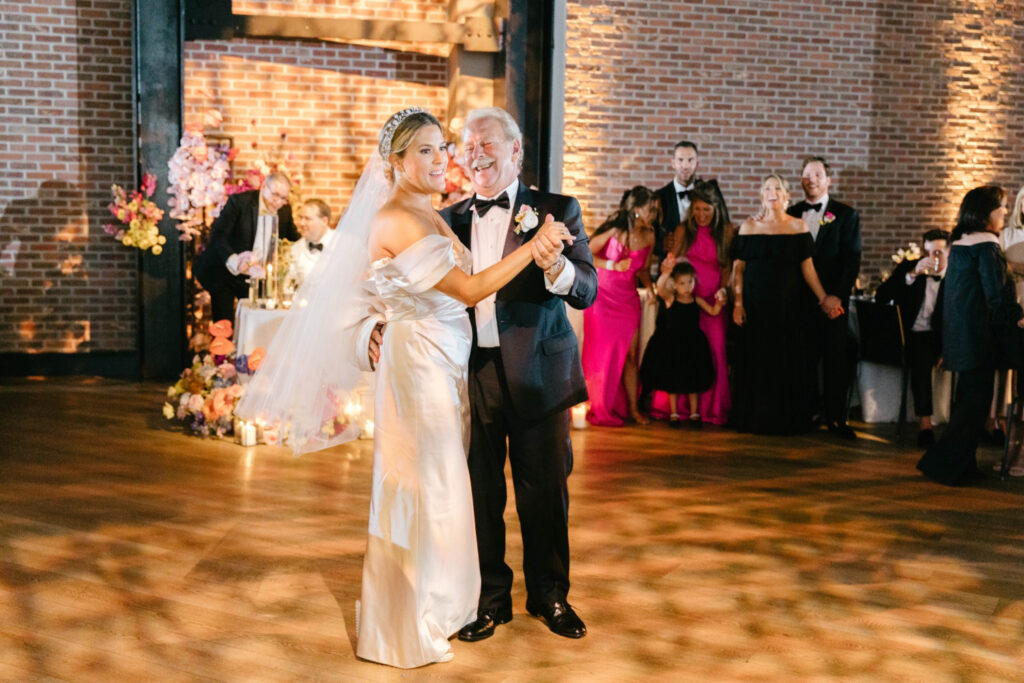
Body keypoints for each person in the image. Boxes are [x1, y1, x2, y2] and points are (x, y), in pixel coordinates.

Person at [236, 107, 574, 668]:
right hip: (422, 370)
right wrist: (531, 248)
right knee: (434, 488)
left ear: (517, 152)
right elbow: (450, 290)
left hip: (481, 368)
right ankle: (429, 611)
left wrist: (548, 259)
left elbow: (577, 282)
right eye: (429, 149)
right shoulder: (404, 215)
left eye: (444, 147)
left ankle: (506, 598)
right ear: (395, 163)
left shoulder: (450, 211)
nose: (445, 158)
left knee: (475, 488)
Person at [428, 106, 597, 643]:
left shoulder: (557, 209)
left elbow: (587, 289)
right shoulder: (448, 217)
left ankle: (550, 595)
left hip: (541, 375)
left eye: (486, 143)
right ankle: (488, 600)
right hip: (472, 375)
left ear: (516, 150)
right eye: (467, 145)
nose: (474, 154)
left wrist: (555, 265)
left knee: (545, 491)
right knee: (478, 493)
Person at [917, 185, 1023, 486]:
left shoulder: (960, 243)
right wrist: (1018, 318)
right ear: (985, 211)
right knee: (973, 407)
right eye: (1001, 206)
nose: (1005, 212)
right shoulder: (987, 246)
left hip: (959, 335)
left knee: (967, 404)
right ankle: (943, 465)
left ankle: (961, 465)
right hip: (979, 337)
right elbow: (996, 296)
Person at [731, 174, 838, 434]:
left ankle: (786, 419)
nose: (772, 192)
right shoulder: (748, 227)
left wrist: (824, 297)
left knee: (786, 361)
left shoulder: (798, 227)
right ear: (761, 195)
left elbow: (808, 270)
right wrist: (737, 302)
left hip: (788, 307)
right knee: (756, 360)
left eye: (777, 188)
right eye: (767, 188)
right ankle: (755, 418)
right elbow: (739, 269)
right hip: (755, 307)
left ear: (787, 195)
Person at [787, 156, 862, 440]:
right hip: (798, 302)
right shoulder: (791, 213)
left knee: (835, 361)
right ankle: (804, 413)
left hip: (832, 302)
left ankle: (836, 418)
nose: (812, 179)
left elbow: (851, 261)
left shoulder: (846, 215)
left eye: (818, 175)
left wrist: (837, 297)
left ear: (828, 180)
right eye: (807, 175)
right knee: (801, 359)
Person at [582, 186, 656, 425]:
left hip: (628, 300)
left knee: (631, 356)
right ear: (635, 209)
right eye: (649, 208)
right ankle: (599, 405)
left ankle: (633, 409)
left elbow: (643, 269)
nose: (653, 213)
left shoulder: (651, 235)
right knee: (603, 354)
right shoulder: (615, 230)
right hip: (603, 298)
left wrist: (652, 290)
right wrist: (613, 265)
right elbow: (585, 254)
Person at [874, 229, 950, 447]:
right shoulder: (910, 268)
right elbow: (881, 296)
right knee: (921, 357)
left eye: (937, 253)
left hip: (942, 338)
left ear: (948, 252)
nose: (932, 258)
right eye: (928, 253)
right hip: (911, 337)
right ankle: (925, 425)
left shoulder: (956, 275)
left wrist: (948, 347)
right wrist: (911, 275)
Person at [668, 180, 733, 425]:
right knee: (683, 352)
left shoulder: (726, 231)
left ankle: (711, 408)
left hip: (712, 302)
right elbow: (675, 262)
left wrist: (724, 292)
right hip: (686, 302)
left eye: (706, 210)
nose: (701, 215)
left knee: (715, 349)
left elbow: (727, 267)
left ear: (717, 209)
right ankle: (682, 408)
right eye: (697, 209)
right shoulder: (684, 229)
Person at [194, 173, 300, 322]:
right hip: (225, 271)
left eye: (283, 198)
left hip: (256, 277)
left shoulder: (284, 210)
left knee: (257, 320)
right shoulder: (239, 202)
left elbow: (293, 239)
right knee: (224, 326)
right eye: (275, 195)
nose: (278, 202)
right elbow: (218, 235)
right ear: (263, 187)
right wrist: (236, 261)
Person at [640, 260, 722, 427]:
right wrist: (665, 272)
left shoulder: (696, 300)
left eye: (690, 282)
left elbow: (713, 311)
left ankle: (694, 414)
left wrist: (720, 303)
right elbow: (661, 288)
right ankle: (674, 413)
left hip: (693, 345)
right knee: (673, 381)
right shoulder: (671, 299)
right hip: (675, 345)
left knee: (693, 381)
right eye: (682, 283)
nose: (687, 287)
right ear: (675, 285)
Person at [654, 140, 700, 267]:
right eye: (680, 160)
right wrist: (661, 245)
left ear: (697, 163)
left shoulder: (708, 193)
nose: (685, 166)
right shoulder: (659, 196)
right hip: (669, 267)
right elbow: (649, 234)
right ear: (673, 163)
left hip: (701, 267)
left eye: (690, 160)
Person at [288, 198, 334, 287]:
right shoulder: (294, 249)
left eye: (307, 219)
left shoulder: (343, 244)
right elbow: (289, 286)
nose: (301, 223)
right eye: (300, 217)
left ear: (324, 221)